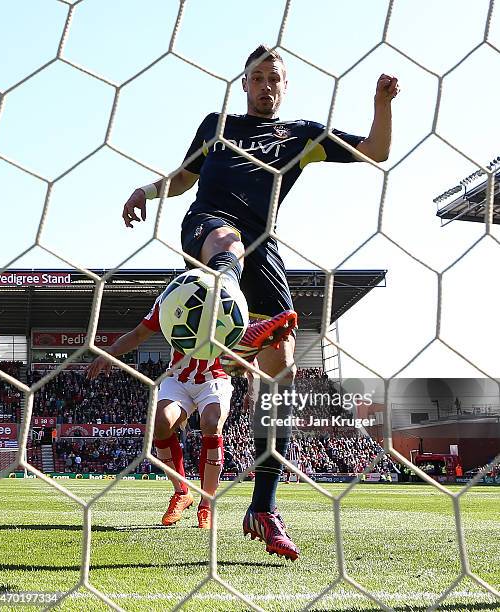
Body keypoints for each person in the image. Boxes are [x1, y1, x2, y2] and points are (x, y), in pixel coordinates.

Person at [121, 45, 399, 559]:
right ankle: (230, 318)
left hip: (263, 247)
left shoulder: (301, 136)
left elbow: (375, 151)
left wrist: (382, 103)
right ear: (244, 83)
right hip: (207, 229)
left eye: (276, 78)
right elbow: (184, 180)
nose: (267, 85)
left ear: (284, 86)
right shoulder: (217, 125)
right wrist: (146, 189)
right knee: (227, 247)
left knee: (282, 375)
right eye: (258, 77)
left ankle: (264, 506)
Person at [86, 292, 291, 529]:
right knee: (160, 423)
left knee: (211, 423)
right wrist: (109, 352)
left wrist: (252, 386)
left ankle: (207, 503)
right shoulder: (172, 296)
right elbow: (139, 334)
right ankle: (182, 493)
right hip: (178, 377)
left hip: (215, 379)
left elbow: (247, 348)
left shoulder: (230, 299)